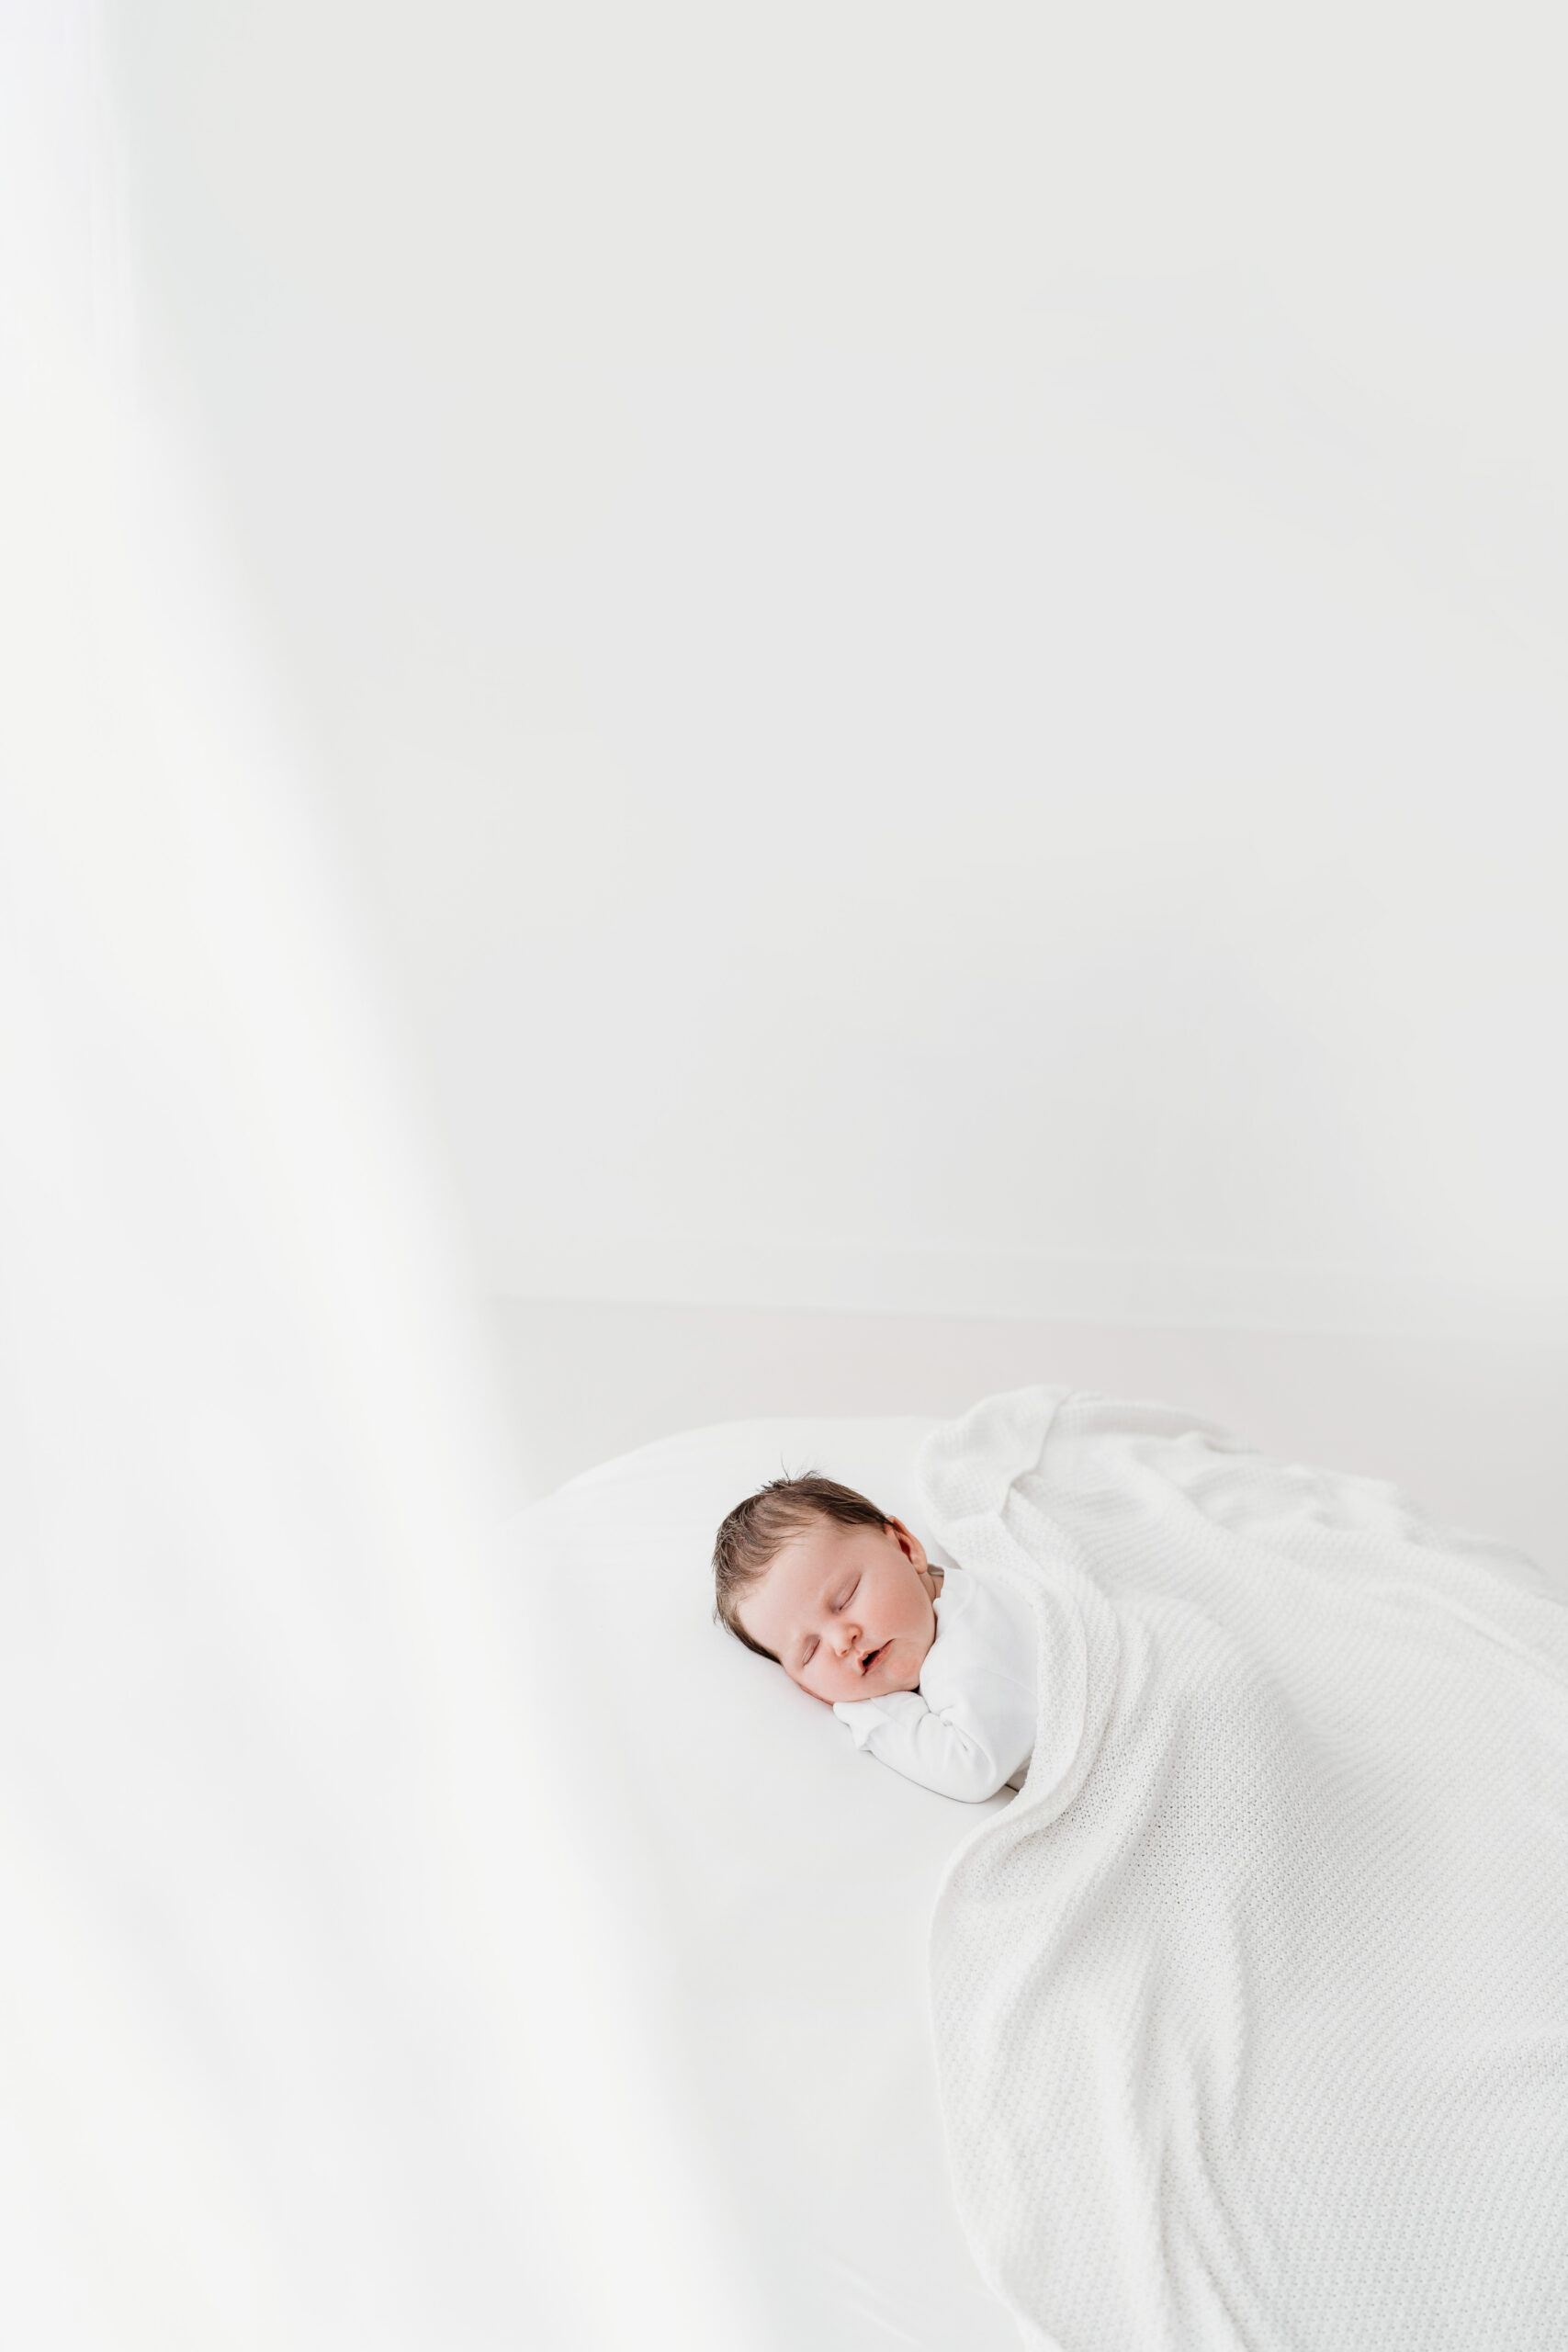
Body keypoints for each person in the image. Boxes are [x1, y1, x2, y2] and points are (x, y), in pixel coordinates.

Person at [712, 1474, 1035, 1802]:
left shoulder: (972, 1641)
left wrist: (866, 1711)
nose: (841, 1641)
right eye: (810, 1652)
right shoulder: (938, 1609)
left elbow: (972, 1769)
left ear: (907, 1549)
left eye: (846, 1597)